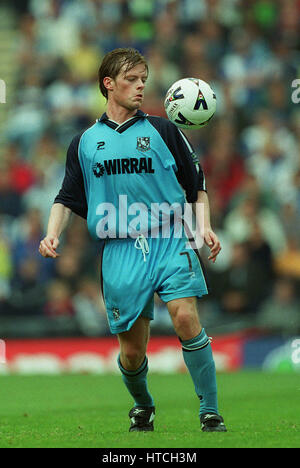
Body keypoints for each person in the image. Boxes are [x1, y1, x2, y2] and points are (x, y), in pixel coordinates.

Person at [39, 48, 227, 433]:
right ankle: (143, 405)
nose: (141, 86)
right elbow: (67, 198)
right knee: (131, 352)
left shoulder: (164, 131)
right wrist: (51, 233)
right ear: (108, 84)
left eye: (143, 79)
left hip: (169, 237)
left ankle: (210, 410)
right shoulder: (85, 143)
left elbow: (197, 187)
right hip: (119, 248)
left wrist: (204, 226)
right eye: (131, 79)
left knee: (186, 317)